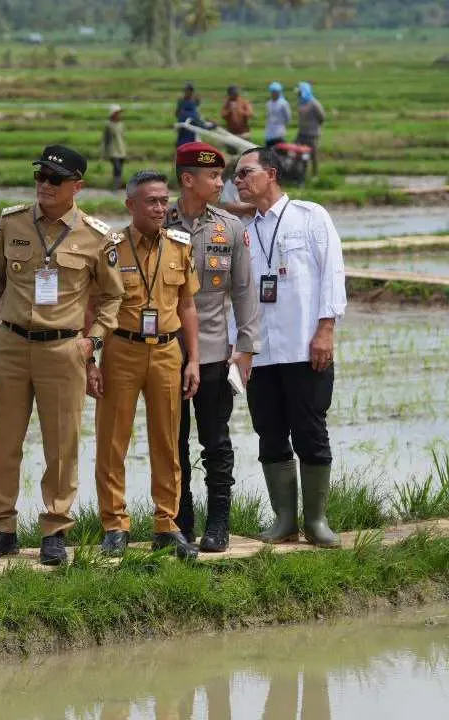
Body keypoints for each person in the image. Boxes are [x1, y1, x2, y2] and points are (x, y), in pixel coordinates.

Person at [0, 145, 124, 566]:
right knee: (2, 442)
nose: (44, 185)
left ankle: (55, 530)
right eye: (40, 176)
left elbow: (114, 298)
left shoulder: (97, 237)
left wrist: (91, 343)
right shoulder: (12, 222)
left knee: (62, 445)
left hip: (63, 350)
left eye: (54, 179)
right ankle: (1, 528)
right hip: (9, 344)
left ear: (76, 186)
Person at [232, 146, 346, 548]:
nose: (238, 181)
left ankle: (316, 521)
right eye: (235, 176)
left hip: (304, 346)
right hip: (260, 352)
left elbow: (332, 274)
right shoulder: (242, 230)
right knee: (270, 432)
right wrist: (239, 348)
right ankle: (284, 521)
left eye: (245, 173)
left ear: (272, 173)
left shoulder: (310, 217)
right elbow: (239, 294)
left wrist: (326, 330)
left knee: (311, 430)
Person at [89, 170, 201, 560]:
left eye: (163, 200)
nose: (160, 208)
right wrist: (91, 359)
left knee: (167, 442)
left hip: (169, 351)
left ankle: (166, 524)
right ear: (131, 204)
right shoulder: (111, 248)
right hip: (121, 349)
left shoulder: (180, 246)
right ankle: (114, 524)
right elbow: (94, 306)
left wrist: (194, 361)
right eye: (151, 201)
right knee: (112, 440)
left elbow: (187, 306)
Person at [167, 142, 261, 552]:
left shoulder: (230, 228)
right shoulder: (157, 221)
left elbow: (244, 293)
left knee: (215, 441)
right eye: (214, 177)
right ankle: (180, 523)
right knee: (172, 443)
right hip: (165, 352)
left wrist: (246, 348)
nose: (223, 183)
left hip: (213, 352)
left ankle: (219, 523)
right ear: (189, 180)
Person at [295, 82, 326, 177]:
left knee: (313, 155)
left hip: (312, 135)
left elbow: (322, 117)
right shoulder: (300, 103)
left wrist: (314, 127)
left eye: (300, 92)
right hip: (302, 133)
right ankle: (302, 175)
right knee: (301, 155)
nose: (298, 94)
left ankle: (315, 175)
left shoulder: (314, 104)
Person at [102, 105, 128, 190]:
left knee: (119, 170)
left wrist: (126, 150)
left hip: (122, 150)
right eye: (117, 113)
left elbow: (123, 138)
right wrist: (105, 152)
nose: (119, 115)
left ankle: (117, 185)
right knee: (117, 168)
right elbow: (106, 140)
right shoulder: (108, 125)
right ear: (112, 114)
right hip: (113, 151)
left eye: (119, 113)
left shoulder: (121, 124)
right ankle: (116, 187)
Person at [175, 82, 205, 147]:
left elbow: (197, 111)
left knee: (192, 143)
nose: (188, 92)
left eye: (190, 91)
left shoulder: (195, 100)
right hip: (184, 126)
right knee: (182, 143)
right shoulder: (181, 101)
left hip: (193, 126)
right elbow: (177, 113)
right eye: (187, 90)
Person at [264, 82, 292, 147]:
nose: (274, 94)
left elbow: (288, 118)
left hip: (279, 132)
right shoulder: (269, 103)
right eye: (272, 92)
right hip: (269, 132)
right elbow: (268, 117)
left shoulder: (284, 104)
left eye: (276, 92)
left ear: (279, 92)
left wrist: (281, 125)